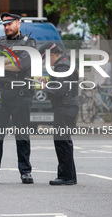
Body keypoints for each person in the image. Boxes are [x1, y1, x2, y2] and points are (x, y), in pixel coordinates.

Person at [0, 12, 36, 184]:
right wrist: (8, 62)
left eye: (9, 24)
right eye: (4, 25)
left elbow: (22, 66)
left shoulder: (29, 43)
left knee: (22, 134)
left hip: (20, 94)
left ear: (18, 23)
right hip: (0, 94)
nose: (7, 27)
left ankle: (25, 171)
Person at [39, 41, 78, 185]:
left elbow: (61, 91)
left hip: (65, 106)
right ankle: (69, 175)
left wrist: (45, 87)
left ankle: (66, 176)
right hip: (67, 106)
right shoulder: (64, 65)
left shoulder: (62, 67)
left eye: (46, 58)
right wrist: (48, 82)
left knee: (62, 142)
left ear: (53, 55)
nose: (45, 62)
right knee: (65, 141)